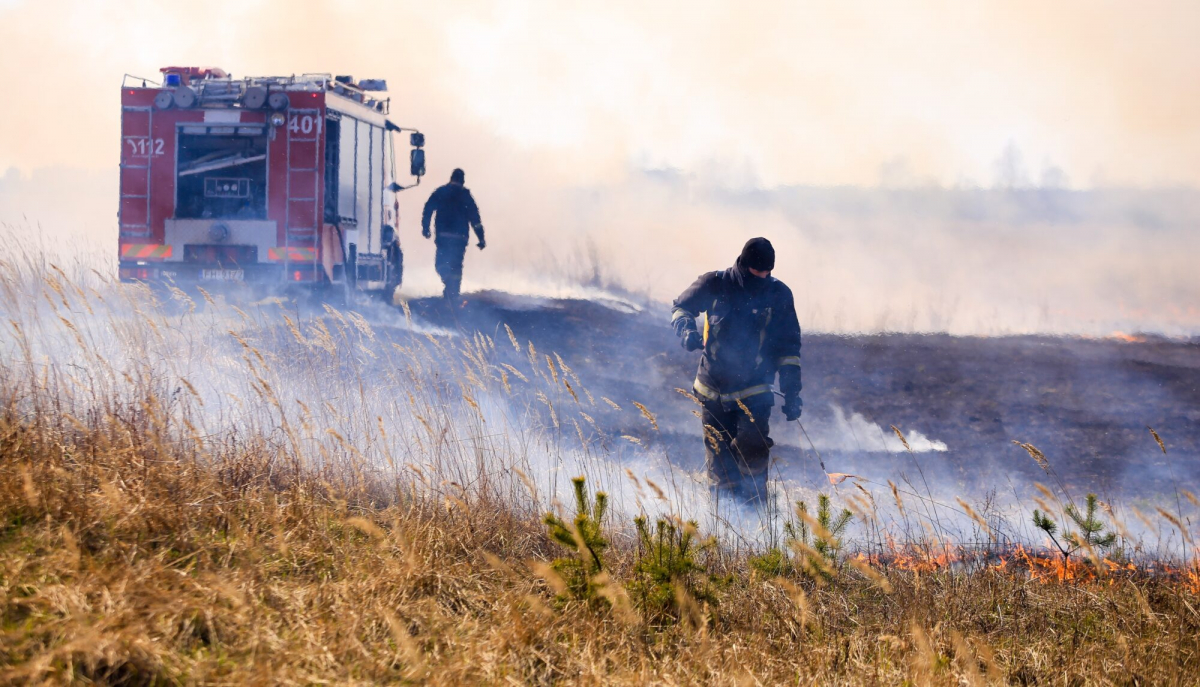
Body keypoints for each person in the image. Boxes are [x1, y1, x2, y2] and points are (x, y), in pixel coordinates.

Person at [670, 237, 802, 501]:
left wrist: (792, 392)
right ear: (743, 265)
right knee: (720, 463)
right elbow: (681, 307)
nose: (762, 277)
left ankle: (757, 513)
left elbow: (788, 347)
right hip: (713, 389)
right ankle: (724, 517)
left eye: (767, 272)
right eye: (756, 272)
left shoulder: (779, 294)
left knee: (754, 452)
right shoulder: (715, 283)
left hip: (755, 389)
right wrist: (686, 332)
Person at [421, 168, 485, 299]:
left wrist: (425, 227)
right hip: (460, 238)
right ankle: (453, 292)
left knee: (440, 264)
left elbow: (428, 209)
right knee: (456, 266)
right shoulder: (466, 196)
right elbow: (475, 219)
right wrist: (481, 238)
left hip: (443, 236)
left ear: (451, 178)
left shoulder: (441, 192)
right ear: (463, 181)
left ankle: (449, 285)